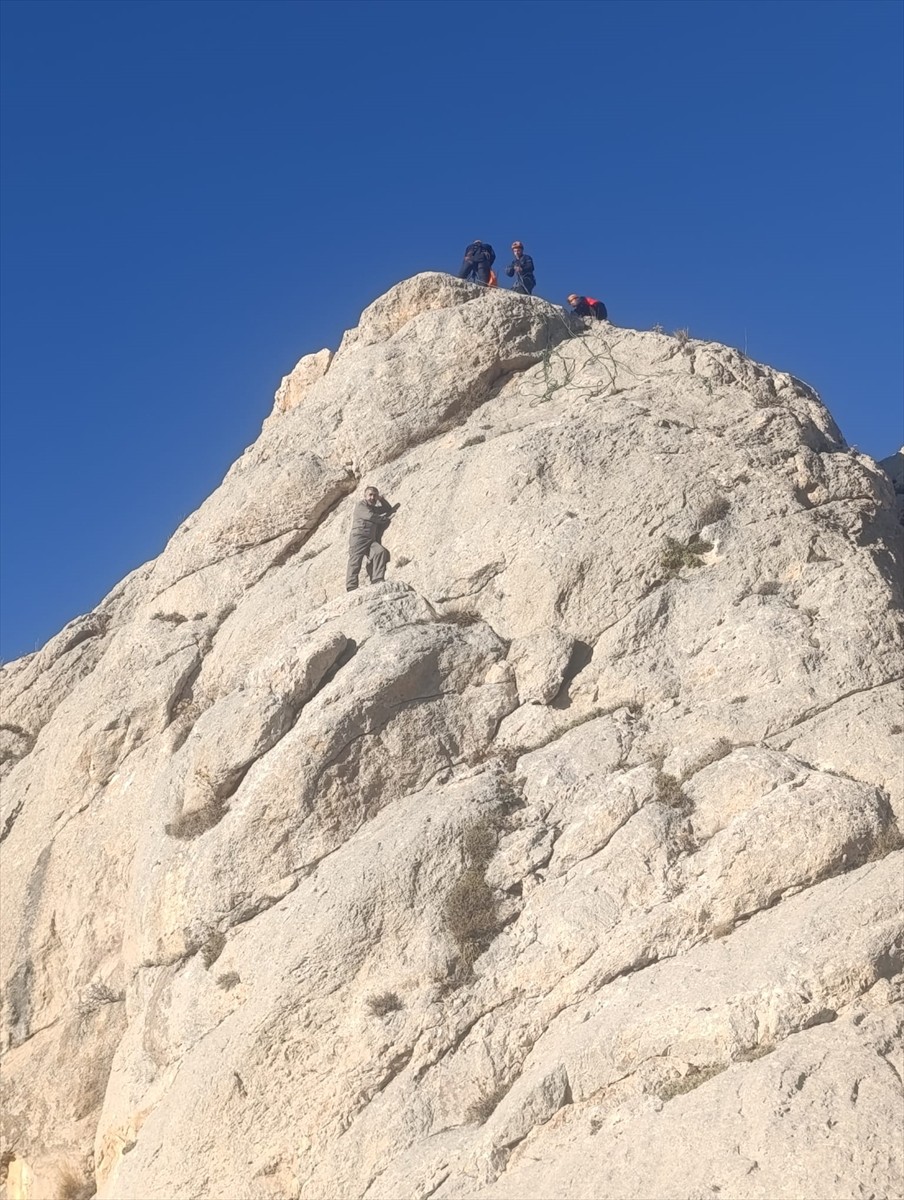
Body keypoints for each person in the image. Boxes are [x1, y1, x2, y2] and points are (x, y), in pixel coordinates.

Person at [346, 486, 399, 591]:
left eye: (375, 495)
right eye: (370, 495)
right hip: (359, 538)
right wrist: (385, 519)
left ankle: (377, 579)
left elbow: (388, 509)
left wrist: (381, 499)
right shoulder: (361, 505)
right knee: (355, 561)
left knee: (380, 552)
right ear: (365, 496)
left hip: (370, 540)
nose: (372, 497)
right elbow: (370, 516)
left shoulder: (373, 508)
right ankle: (351, 586)